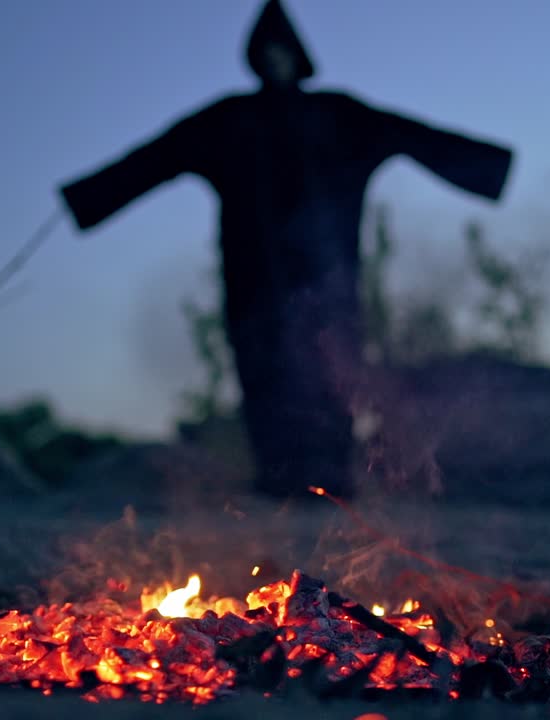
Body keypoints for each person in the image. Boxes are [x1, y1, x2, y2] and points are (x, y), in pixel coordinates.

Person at [61, 0, 514, 499]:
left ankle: (332, 482)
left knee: (332, 368)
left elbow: (413, 136)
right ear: (256, 59)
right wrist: (91, 197)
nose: (277, 62)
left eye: (284, 52)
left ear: (299, 57)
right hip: (253, 280)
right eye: (268, 53)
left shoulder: (339, 115)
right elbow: (157, 156)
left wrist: (488, 167)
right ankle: (278, 481)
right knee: (264, 371)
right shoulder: (228, 121)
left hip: (329, 277)